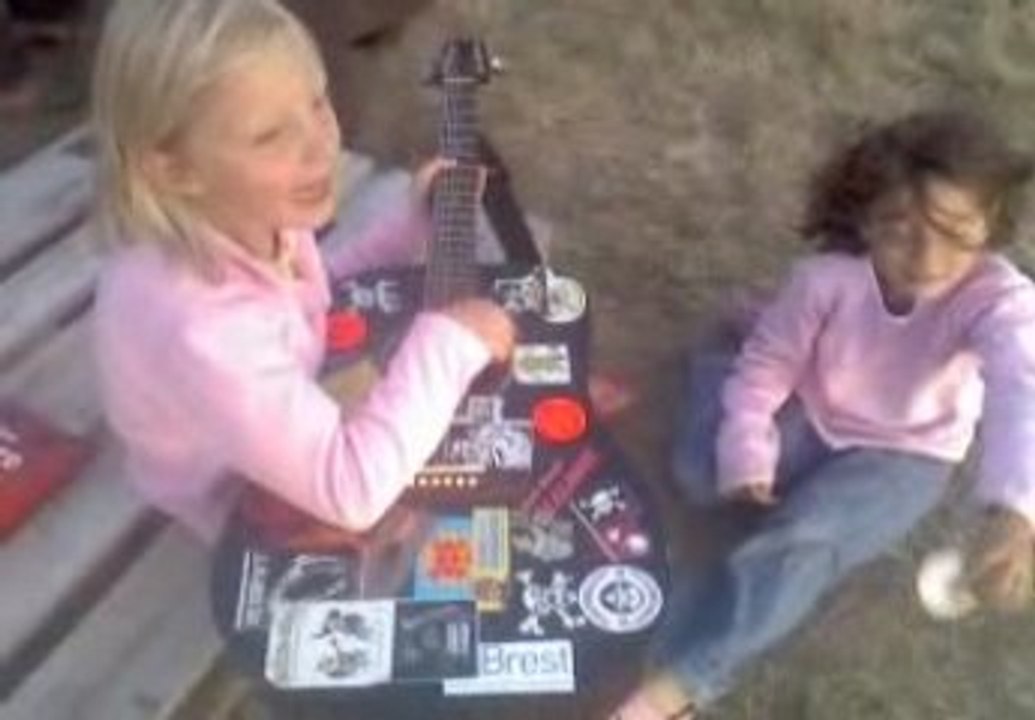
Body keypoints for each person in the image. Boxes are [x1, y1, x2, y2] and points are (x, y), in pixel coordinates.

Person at [611, 109, 1035, 719]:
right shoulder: (824, 281)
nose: (927, 257)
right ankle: (723, 349)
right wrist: (747, 444)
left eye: (956, 232)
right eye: (899, 228)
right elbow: (768, 369)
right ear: (864, 215)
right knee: (702, 474)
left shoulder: (999, 299)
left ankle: (677, 686)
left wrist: (1014, 511)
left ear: (992, 225)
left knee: (804, 539)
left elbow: (1021, 389)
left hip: (906, 452)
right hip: (810, 402)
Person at [90, 0, 514, 544]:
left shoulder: (240, 213)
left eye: (318, 104)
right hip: (243, 497)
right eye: (270, 136)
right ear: (175, 167)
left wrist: (406, 231)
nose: (320, 148)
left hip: (270, 410)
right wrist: (451, 340)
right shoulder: (207, 332)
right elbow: (352, 492)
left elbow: (301, 302)